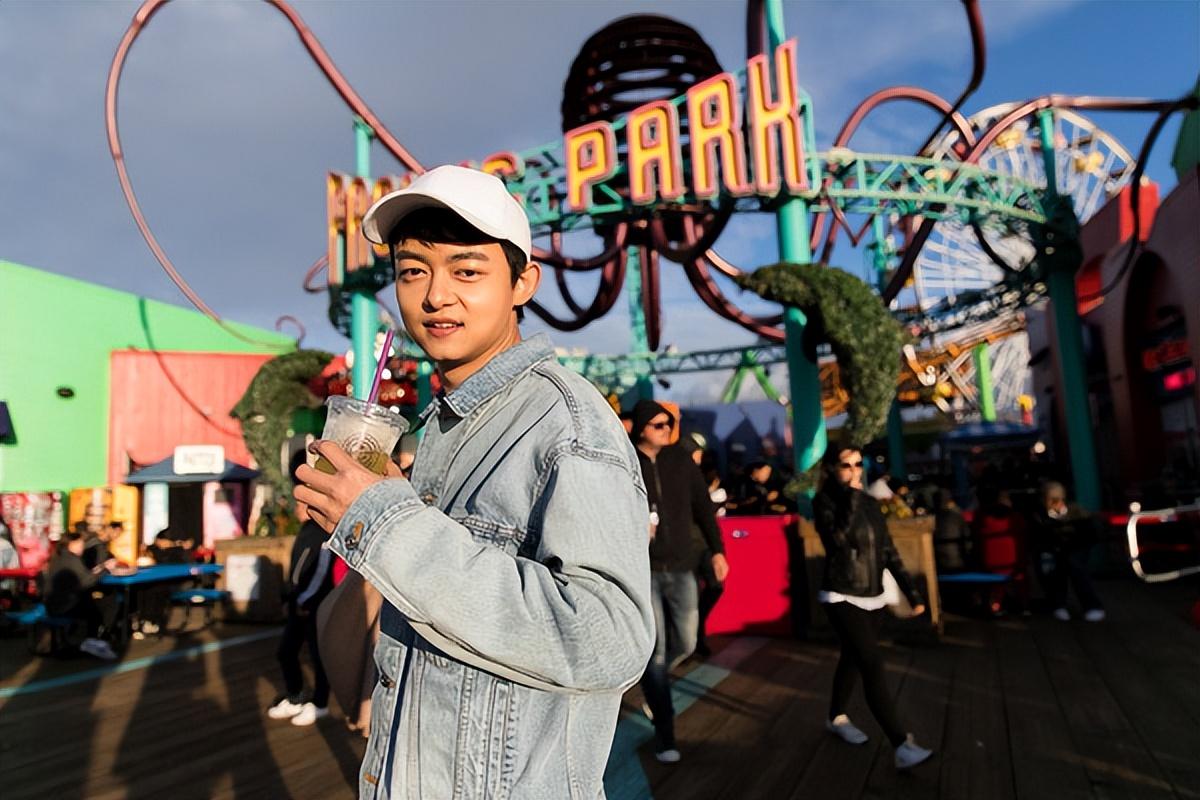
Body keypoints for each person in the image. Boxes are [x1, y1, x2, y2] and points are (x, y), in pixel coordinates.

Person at [293, 165, 654, 797]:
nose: (435, 295)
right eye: (412, 271)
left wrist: (387, 524)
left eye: (466, 271)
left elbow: (609, 639)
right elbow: (369, 680)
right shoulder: (441, 430)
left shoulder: (566, 423)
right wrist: (365, 524)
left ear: (522, 284)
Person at [813, 445, 933, 770]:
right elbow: (837, 542)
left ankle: (836, 717)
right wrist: (851, 497)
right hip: (841, 593)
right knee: (871, 661)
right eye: (846, 465)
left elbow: (888, 550)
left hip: (873, 595)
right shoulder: (825, 501)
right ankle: (900, 744)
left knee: (852, 657)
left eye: (858, 464)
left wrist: (913, 593)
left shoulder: (870, 502)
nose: (854, 470)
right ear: (831, 469)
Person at [630, 400, 729, 762]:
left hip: (682, 566)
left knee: (686, 642)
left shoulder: (681, 460)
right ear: (641, 427)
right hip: (644, 569)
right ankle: (665, 732)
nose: (665, 430)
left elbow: (703, 507)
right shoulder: (627, 461)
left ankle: (653, 684)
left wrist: (717, 551)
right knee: (655, 652)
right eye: (657, 424)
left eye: (668, 424)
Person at [268, 500, 335, 727]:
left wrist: (306, 599)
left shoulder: (323, 532)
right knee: (286, 652)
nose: (295, 508)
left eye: (299, 504)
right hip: (298, 602)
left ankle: (320, 703)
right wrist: (289, 598)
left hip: (314, 604)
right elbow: (297, 569)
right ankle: (295, 696)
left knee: (318, 656)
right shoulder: (306, 530)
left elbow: (321, 570)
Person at [1032, 481, 1105, 622]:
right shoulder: (1040, 515)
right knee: (1051, 568)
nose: (1057, 503)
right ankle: (1058, 604)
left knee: (1075, 566)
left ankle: (1092, 606)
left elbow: (1089, 534)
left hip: (1076, 547)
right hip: (1055, 549)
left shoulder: (1077, 512)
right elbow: (1039, 536)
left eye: (1059, 499)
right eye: (1051, 499)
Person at [44, 530, 117, 661]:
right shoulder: (71, 559)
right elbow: (87, 582)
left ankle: (85, 640)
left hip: (52, 602)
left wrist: (98, 570)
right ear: (70, 544)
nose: (82, 547)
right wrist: (106, 569)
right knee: (103, 605)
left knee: (91, 602)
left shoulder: (59, 557)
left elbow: (82, 577)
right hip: (64, 605)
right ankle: (91, 641)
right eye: (80, 544)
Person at [972, 487, 1030, 616]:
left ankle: (995, 604)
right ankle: (1023, 606)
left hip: (989, 565)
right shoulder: (1015, 518)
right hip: (1015, 565)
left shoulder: (981, 517)